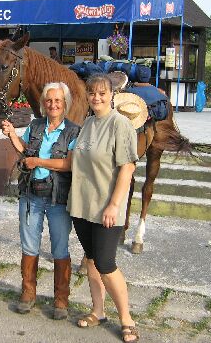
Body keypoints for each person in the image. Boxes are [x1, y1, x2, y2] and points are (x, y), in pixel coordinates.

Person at [67, 74, 140, 342]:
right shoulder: (86, 124)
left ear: (111, 95)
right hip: (82, 207)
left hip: (107, 209)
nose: (96, 98)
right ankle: (98, 311)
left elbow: (127, 168)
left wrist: (114, 204)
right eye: (92, 93)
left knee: (107, 263)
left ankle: (127, 318)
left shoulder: (120, 125)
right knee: (92, 261)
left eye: (101, 93)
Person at [1, 82, 80, 320]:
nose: (53, 104)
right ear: (43, 104)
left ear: (65, 104)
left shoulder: (73, 131)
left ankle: (61, 300)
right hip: (31, 194)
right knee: (29, 245)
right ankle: (27, 293)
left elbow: (69, 164)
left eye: (57, 101)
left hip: (58, 198)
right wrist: (13, 134)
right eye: (49, 100)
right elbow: (26, 151)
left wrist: (39, 162)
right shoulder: (35, 126)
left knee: (59, 248)